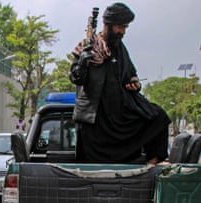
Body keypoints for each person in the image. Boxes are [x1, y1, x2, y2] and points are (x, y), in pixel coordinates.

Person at [69, 2, 171, 164]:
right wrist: (83, 62)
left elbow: (131, 74)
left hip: (120, 114)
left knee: (158, 117)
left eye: (125, 28)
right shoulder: (88, 46)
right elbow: (76, 78)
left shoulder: (120, 48)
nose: (122, 32)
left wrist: (135, 83)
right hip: (97, 118)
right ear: (108, 25)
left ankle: (152, 164)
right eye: (120, 27)